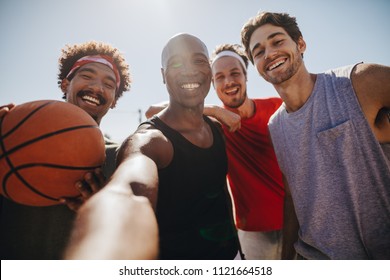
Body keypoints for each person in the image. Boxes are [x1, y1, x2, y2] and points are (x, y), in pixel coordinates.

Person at [67, 33, 239, 260]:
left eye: (198, 60)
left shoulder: (215, 129)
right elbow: (131, 190)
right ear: (163, 75)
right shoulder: (150, 140)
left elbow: (220, 194)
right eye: (177, 62)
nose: (189, 70)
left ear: (209, 69)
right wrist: (113, 220)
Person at [240, 11, 390, 259]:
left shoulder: (359, 81)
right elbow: (293, 199)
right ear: (256, 66)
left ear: (300, 44)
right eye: (258, 52)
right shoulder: (275, 126)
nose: (269, 54)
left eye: (277, 41)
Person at [0, 41, 132, 259]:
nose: (97, 88)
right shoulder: (12, 137)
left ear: (114, 101)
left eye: (109, 85)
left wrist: (104, 211)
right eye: (87, 76)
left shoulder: (123, 158)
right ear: (65, 84)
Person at [208, 44, 284, 259]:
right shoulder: (214, 122)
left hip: (296, 223)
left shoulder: (277, 107)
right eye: (220, 77)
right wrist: (213, 110)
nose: (229, 82)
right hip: (252, 232)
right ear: (213, 84)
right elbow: (153, 111)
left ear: (246, 76)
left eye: (234, 73)